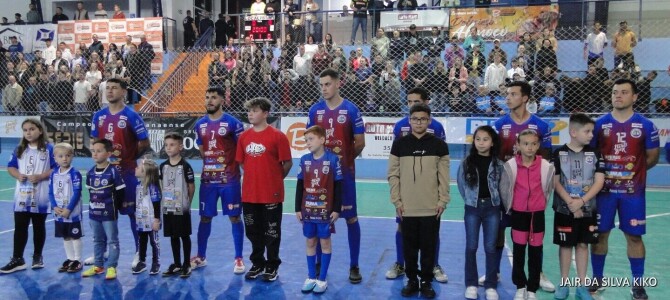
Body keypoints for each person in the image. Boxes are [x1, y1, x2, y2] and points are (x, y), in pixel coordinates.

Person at [589, 79, 660, 300]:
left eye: (624, 92)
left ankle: (637, 285)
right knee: (600, 235)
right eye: (614, 92)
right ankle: (597, 279)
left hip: (633, 193)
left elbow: (651, 158)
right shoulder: (599, 125)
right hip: (604, 193)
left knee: (635, 237)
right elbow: (591, 157)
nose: (618, 96)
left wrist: (632, 173)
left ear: (635, 97)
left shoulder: (646, 125)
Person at [488, 81, 554, 292]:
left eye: (513, 94)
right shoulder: (499, 125)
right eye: (507, 94)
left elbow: (547, 159)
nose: (507, 98)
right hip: (505, 191)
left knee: (534, 237)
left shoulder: (541, 126)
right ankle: (495, 272)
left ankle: (538, 274)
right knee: (498, 231)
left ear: (525, 98)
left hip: (530, 193)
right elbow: (492, 157)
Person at [307, 69, 366, 283]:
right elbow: (311, 141)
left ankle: (354, 265)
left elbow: (359, 142)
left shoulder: (351, 110)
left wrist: (344, 163)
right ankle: (320, 262)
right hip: (322, 179)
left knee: (351, 218)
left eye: (327, 84)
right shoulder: (315, 111)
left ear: (338, 84)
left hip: (345, 177)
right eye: (321, 85)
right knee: (321, 220)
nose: (323, 88)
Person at [386, 87, 448, 282]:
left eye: (416, 102)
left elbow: (442, 169)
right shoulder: (400, 127)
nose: (412, 105)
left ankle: (433, 265)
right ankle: (400, 263)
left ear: (426, 103)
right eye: (409, 102)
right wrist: (397, 198)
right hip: (407, 198)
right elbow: (395, 166)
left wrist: (442, 197)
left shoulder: (437, 129)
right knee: (402, 230)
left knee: (430, 234)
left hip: (428, 198)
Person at [88, 78, 150, 269]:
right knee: (103, 213)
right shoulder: (98, 116)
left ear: (124, 91)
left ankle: (139, 252)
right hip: (104, 175)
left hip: (127, 173)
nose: (110, 91)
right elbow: (94, 142)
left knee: (132, 213)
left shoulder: (131, 115)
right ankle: (103, 251)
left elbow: (144, 143)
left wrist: (129, 158)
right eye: (107, 88)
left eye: (114, 88)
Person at [236, 97, 292, 281]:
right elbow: (242, 162)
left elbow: (287, 163)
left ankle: (272, 265)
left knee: (272, 232)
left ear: (266, 113)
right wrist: (255, 178)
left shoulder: (278, 136)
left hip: (271, 194)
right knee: (253, 231)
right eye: (249, 110)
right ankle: (257, 263)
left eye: (255, 110)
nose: (250, 113)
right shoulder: (244, 137)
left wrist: (273, 179)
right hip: (250, 194)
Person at [190, 88, 246, 274]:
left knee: (234, 217)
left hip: (229, 180)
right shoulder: (200, 124)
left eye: (214, 97)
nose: (209, 101)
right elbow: (201, 148)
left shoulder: (233, 123)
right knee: (204, 217)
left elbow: (242, 149)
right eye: (207, 97)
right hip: (208, 181)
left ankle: (238, 258)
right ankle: (201, 256)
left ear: (222, 99)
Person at [552, 113, 605, 300]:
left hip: (588, 209)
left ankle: (582, 285)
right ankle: (564, 283)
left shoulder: (596, 153)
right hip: (564, 209)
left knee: (583, 244)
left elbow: (599, 181)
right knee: (565, 245)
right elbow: (555, 182)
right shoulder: (558, 153)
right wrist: (570, 203)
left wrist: (581, 202)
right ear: (573, 132)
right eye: (587, 131)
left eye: (592, 131)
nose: (591, 135)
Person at [499, 129, 555, 300]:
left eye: (533, 144)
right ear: (518, 145)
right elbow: (505, 189)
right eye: (525, 144)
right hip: (518, 214)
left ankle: (532, 288)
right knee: (518, 251)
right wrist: (512, 207)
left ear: (538, 145)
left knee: (536, 252)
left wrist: (540, 205)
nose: (529, 147)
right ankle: (520, 286)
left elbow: (548, 188)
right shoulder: (511, 166)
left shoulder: (546, 166)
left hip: (537, 215)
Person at [0, 119, 56, 273]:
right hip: (22, 196)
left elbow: (56, 167)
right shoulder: (19, 149)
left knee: (39, 225)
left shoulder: (49, 149)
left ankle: (37, 256)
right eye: (25, 130)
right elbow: (11, 167)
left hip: (41, 194)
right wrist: (18, 175)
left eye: (32, 129)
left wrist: (41, 176)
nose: (28, 133)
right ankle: (18, 259)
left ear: (39, 130)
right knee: (20, 226)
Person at [458, 126, 503, 300]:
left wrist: (497, 203)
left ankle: (491, 285)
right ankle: (471, 283)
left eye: (485, 139)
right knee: (471, 246)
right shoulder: (466, 163)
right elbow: (462, 186)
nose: (481, 143)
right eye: (478, 139)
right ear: (474, 141)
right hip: (472, 209)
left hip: (492, 209)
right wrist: (471, 200)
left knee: (490, 247)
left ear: (492, 143)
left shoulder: (499, 165)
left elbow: (502, 187)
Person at [296, 125, 343, 294]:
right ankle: (311, 276)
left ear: (322, 140)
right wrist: (297, 208)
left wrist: (336, 209)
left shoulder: (332, 159)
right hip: (307, 209)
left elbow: (338, 186)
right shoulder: (304, 159)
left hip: (325, 211)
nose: (307, 143)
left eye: (310, 139)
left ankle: (322, 279)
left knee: (325, 243)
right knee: (310, 242)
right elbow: (300, 184)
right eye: (305, 140)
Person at [81, 139, 125, 280]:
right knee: (97, 240)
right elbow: (90, 192)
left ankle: (111, 267)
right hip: (94, 214)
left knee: (112, 240)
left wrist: (114, 209)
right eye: (93, 151)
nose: (95, 154)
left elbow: (120, 192)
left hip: (109, 213)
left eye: (99, 151)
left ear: (108, 153)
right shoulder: (90, 173)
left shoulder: (113, 172)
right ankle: (98, 266)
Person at [159, 133, 196, 278]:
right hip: (168, 207)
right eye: (166, 144)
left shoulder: (185, 166)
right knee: (173, 235)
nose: (168, 147)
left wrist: (188, 203)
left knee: (184, 235)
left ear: (180, 147)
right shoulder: (162, 166)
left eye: (172, 144)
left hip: (182, 208)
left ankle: (186, 264)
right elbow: (162, 184)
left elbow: (191, 186)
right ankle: (176, 263)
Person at [49, 143, 84, 273]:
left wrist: (68, 209)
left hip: (72, 213)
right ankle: (70, 259)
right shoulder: (54, 174)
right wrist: (54, 206)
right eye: (61, 156)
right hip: (59, 211)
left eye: (68, 156)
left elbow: (77, 192)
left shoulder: (75, 173)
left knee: (75, 236)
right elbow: (50, 192)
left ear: (72, 157)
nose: (64, 159)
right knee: (66, 236)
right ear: (55, 158)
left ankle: (78, 260)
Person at [132, 159, 161, 275]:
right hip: (141, 220)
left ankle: (156, 263)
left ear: (145, 173)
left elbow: (156, 204)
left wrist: (156, 220)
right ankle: (142, 262)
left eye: (139, 168)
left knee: (154, 242)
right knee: (142, 241)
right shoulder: (138, 185)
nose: (135, 168)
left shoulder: (152, 187)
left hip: (151, 220)